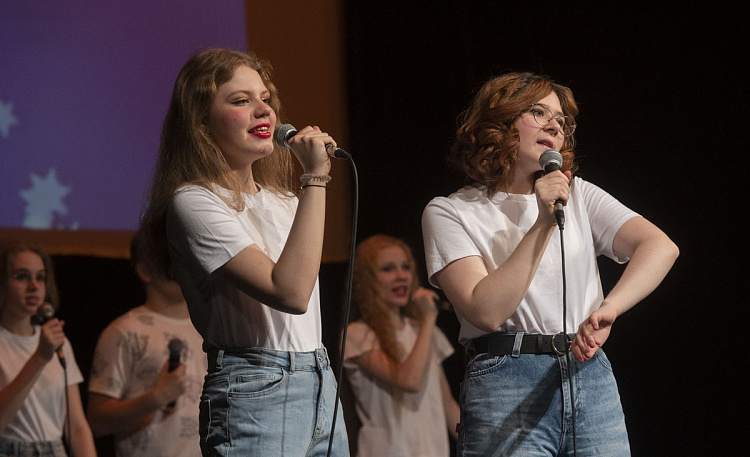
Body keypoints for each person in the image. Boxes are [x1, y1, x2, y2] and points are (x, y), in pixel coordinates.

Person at [421, 72, 679, 456]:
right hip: (506, 382)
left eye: (561, 120)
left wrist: (610, 308)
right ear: (500, 121)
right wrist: (543, 222)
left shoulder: (579, 195)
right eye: (539, 112)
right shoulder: (451, 211)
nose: (555, 126)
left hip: (588, 373)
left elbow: (660, 246)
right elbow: (485, 310)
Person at [140, 47, 349, 457]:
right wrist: (315, 177)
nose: (263, 110)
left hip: (321, 379)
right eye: (241, 100)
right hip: (256, 387)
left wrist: (309, 186)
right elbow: (290, 292)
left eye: (265, 98)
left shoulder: (286, 201)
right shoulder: (194, 201)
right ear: (201, 122)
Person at [86, 229, 206, 457]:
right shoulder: (124, 331)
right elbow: (97, 421)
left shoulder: (208, 328)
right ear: (145, 270)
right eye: (171, 256)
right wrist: (157, 398)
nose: (183, 263)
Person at [343, 235, 459, 457]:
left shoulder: (425, 331)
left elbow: (447, 404)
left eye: (406, 267)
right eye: (388, 269)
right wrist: (428, 319)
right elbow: (408, 380)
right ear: (367, 280)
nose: (401, 276)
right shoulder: (356, 334)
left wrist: (476, 441)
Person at [0, 241, 97, 457]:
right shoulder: (37, 347)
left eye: (41, 277)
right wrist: (40, 358)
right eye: (22, 276)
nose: (34, 286)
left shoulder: (58, 341)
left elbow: (76, 426)